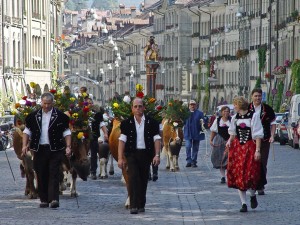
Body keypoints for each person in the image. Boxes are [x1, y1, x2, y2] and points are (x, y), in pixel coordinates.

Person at [21, 92, 71, 208]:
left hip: (55, 149)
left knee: (54, 173)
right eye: (45, 103)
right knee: (41, 173)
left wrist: (68, 146)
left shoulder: (61, 116)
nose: (47, 106)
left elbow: (67, 132)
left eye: (49, 103)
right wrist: (24, 145)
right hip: (39, 149)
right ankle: (43, 199)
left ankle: (54, 199)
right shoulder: (33, 116)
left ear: (53, 103)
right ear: (41, 103)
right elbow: (27, 132)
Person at [117, 97, 161, 214]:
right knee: (133, 178)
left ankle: (141, 204)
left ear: (144, 108)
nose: (138, 109)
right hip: (131, 154)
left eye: (140, 106)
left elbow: (156, 139)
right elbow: (122, 141)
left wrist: (157, 155)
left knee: (143, 179)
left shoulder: (152, 123)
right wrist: (120, 158)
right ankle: (133, 205)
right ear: (132, 108)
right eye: (135, 106)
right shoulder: (126, 123)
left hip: (146, 154)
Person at [226, 96, 264, 212]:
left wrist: (257, 150)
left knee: (250, 174)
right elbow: (232, 134)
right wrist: (229, 141)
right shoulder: (235, 118)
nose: (234, 107)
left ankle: (252, 195)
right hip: (238, 148)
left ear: (240, 105)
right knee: (239, 175)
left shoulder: (253, 116)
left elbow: (257, 135)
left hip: (250, 147)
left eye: (235, 105)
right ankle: (243, 203)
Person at [249, 88, 276, 195]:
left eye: (259, 96)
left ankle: (261, 185)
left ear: (262, 97)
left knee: (262, 162)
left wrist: (272, 135)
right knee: (251, 163)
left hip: (264, 139)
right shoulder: (247, 108)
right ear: (252, 96)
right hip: (250, 140)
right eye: (255, 96)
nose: (257, 98)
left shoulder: (267, 109)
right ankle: (253, 184)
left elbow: (273, 123)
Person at [87, 98, 108, 180]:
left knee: (93, 154)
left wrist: (105, 133)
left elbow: (102, 124)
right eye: (88, 103)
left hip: (94, 136)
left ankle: (93, 172)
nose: (89, 104)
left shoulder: (98, 114)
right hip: (84, 137)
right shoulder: (82, 113)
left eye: (90, 103)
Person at [210, 106, 231, 184]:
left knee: (229, 158)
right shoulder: (218, 120)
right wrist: (211, 140)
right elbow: (213, 131)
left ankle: (228, 175)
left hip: (229, 140)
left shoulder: (232, 120)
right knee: (220, 157)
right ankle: (223, 176)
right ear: (222, 112)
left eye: (228, 111)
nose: (226, 113)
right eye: (225, 111)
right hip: (220, 140)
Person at [184, 100, 205, 168]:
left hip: (196, 132)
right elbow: (182, 121)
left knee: (195, 148)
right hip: (188, 132)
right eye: (191, 105)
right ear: (189, 106)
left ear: (196, 105)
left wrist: (203, 123)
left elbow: (203, 121)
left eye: (194, 105)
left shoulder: (199, 113)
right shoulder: (185, 113)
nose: (192, 106)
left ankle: (194, 161)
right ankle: (188, 160)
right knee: (188, 146)